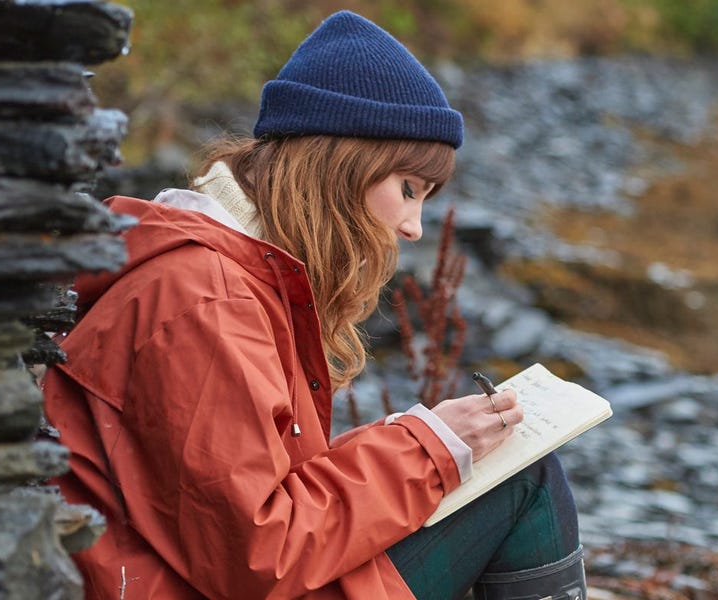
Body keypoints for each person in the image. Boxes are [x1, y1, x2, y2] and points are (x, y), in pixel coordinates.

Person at [43, 11, 586, 600]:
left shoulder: (236, 273)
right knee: (524, 481)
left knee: (507, 464)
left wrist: (422, 434)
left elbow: (253, 495)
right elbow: (256, 554)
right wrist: (427, 449)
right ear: (342, 169)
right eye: (408, 189)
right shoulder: (202, 296)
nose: (414, 227)